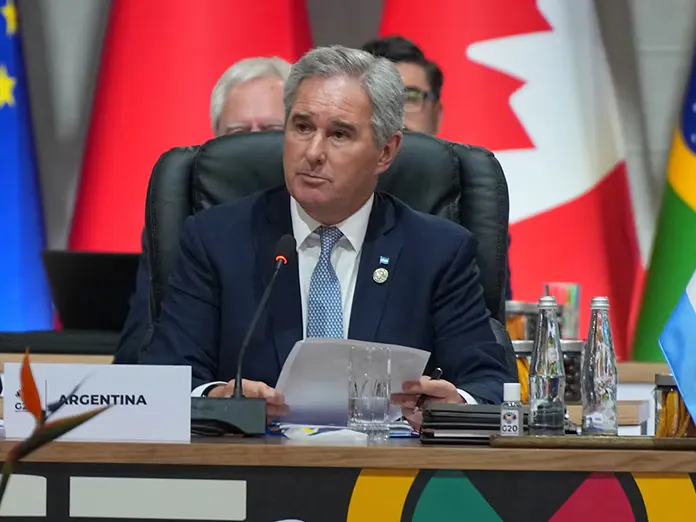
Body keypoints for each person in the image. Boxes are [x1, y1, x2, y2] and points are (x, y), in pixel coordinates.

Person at [141, 45, 513, 429]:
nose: (313, 152)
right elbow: (165, 377)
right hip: (254, 460)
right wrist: (217, 399)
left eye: (339, 134)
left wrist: (453, 407)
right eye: (302, 127)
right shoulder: (216, 240)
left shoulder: (437, 251)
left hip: (388, 462)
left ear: (385, 152)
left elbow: (491, 385)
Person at [113, 57, 292, 365]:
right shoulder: (181, 227)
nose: (252, 146)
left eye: (270, 131)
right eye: (237, 132)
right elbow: (136, 348)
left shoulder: (318, 220)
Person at [362, 35, 513, 300]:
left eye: (409, 96)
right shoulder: (320, 196)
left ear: (437, 112)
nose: (395, 112)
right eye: (381, 97)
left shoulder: (471, 206)